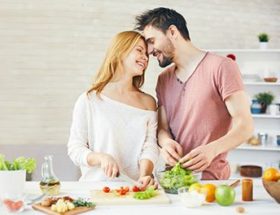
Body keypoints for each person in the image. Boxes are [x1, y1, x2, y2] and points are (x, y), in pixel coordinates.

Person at [135, 8, 254, 179]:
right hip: (174, 180)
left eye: (152, 41)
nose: (149, 50)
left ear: (172, 32)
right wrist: (166, 142)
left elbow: (245, 125)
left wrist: (212, 150)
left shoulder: (222, 67)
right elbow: (162, 127)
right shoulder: (163, 79)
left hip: (211, 182)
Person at [67, 31, 159, 188]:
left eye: (147, 54)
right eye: (139, 50)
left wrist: (144, 176)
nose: (145, 57)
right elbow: (75, 148)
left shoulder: (148, 103)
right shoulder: (90, 100)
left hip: (135, 190)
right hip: (96, 190)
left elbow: (149, 146)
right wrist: (101, 158)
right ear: (120, 52)